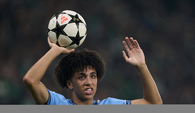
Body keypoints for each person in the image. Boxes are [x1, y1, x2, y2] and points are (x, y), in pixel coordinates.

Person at [23, 37, 162, 105]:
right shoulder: (58, 104)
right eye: (81, 77)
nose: (89, 82)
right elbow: (31, 81)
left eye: (93, 76)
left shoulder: (109, 106)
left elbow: (153, 104)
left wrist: (142, 67)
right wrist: (55, 50)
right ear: (70, 84)